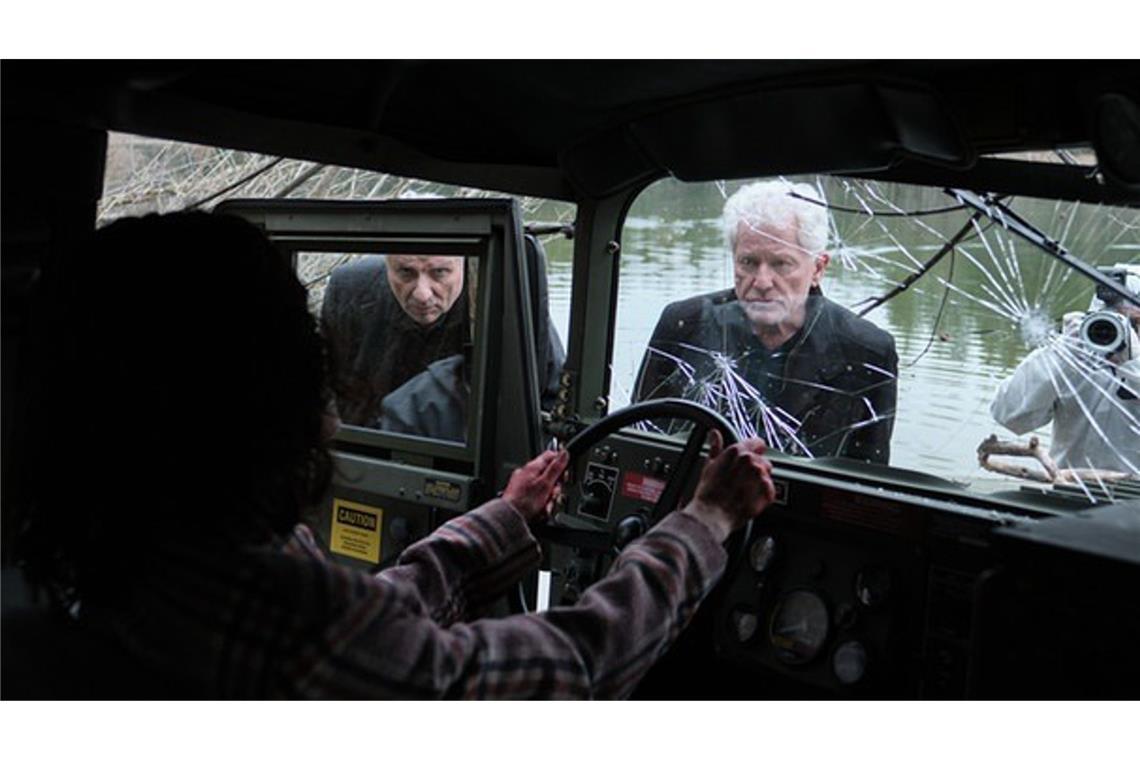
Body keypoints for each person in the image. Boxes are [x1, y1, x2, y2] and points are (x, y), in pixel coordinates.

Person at [16, 212, 778, 699]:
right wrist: (705, 521)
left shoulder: (107, 561)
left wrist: (505, 519)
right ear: (259, 408)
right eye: (307, 375)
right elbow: (570, 666)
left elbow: (381, 621)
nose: (329, 418)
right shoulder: (295, 623)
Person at [634, 180, 898, 464]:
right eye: (748, 262)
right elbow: (637, 441)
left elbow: (867, 481)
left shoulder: (866, 351)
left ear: (818, 268)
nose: (761, 282)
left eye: (781, 264)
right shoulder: (684, 323)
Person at [322, 239, 564, 431]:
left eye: (439, 273)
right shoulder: (350, 289)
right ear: (387, 262)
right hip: (370, 456)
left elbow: (551, 395)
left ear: (464, 263)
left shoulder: (502, 298)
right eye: (406, 272)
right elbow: (325, 386)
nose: (422, 294)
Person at [991, 266, 1140, 476]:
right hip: (1068, 494)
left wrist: (1132, 364)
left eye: (1134, 323)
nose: (1122, 332)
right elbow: (1007, 415)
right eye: (1113, 321)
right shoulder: (1073, 359)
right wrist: (1060, 355)